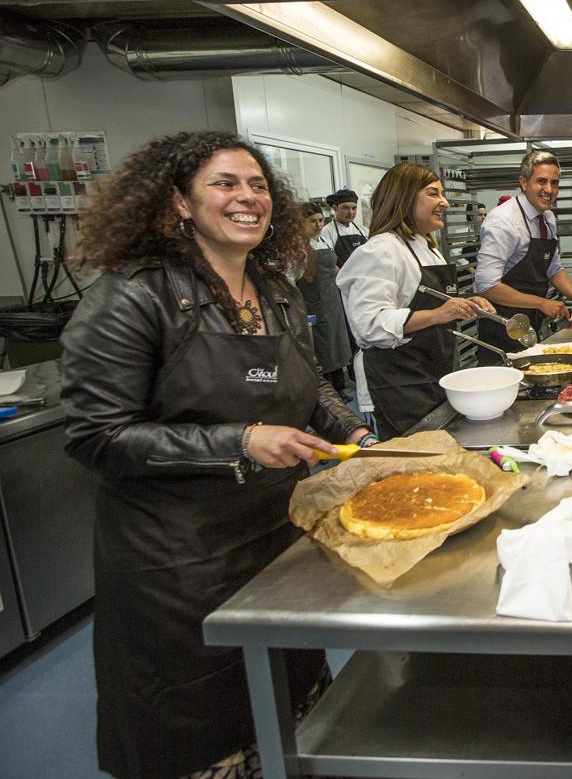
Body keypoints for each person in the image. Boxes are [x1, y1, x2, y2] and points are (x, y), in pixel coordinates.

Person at [60, 130, 374, 779]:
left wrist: (359, 435)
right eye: (224, 183)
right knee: (203, 728)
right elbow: (97, 434)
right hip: (176, 563)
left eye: (258, 184)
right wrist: (239, 441)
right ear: (178, 202)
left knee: (290, 709)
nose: (247, 197)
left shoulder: (275, 289)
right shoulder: (132, 296)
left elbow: (307, 383)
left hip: (274, 541)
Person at [336, 162, 495, 435]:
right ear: (404, 197)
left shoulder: (429, 248)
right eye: (433, 193)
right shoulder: (380, 251)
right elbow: (370, 325)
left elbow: (426, 301)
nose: (444, 202)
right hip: (398, 383)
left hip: (434, 372)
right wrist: (438, 314)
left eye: (442, 194)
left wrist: (466, 302)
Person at [474, 150, 572, 363]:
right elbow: (486, 286)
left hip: (531, 322)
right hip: (503, 325)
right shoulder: (503, 222)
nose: (549, 190)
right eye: (541, 181)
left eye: (555, 182)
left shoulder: (547, 217)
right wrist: (542, 303)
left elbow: (553, 267)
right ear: (523, 182)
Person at [297, 202, 353, 393]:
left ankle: (340, 387)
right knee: (323, 348)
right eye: (312, 221)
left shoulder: (323, 241)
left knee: (338, 342)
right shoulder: (297, 248)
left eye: (321, 220)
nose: (318, 225)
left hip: (333, 300)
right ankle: (329, 391)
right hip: (314, 304)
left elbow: (334, 269)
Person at [320, 188, 368, 267]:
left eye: (354, 208)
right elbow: (330, 264)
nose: (351, 212)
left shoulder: (363, 231)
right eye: (346, 208)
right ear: (335, 208)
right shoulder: (326, 232)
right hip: (342, 277)